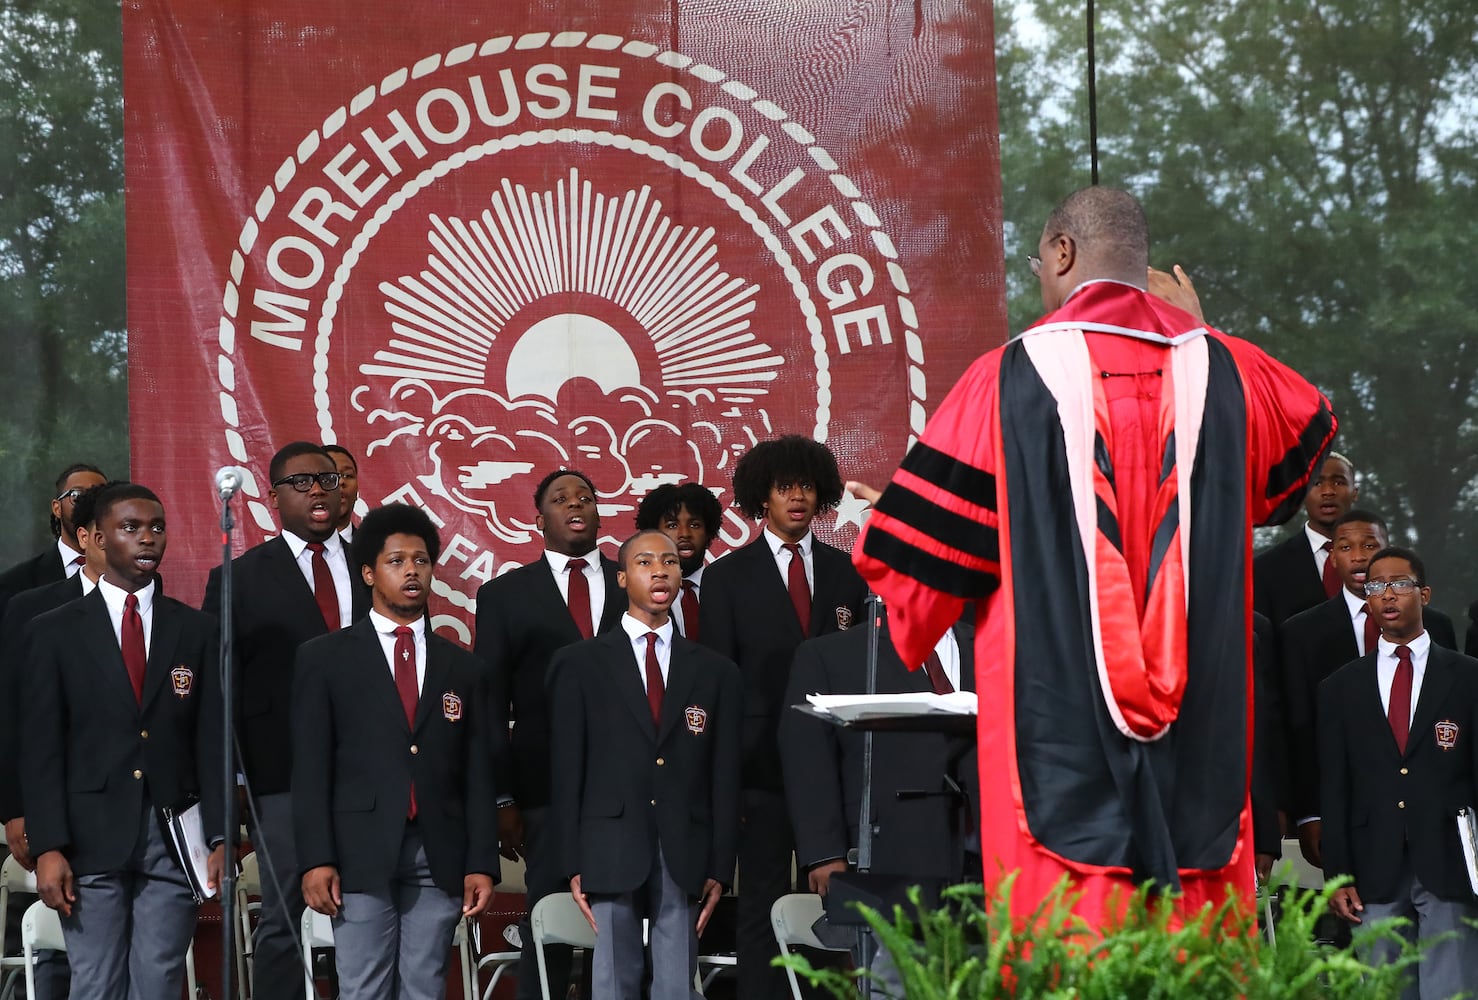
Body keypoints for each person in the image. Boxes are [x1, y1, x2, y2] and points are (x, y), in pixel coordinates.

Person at [853, 187, 1336, 920]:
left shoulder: (1004, 379)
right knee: (1196, 944)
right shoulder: (1230, 372)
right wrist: (1205, 331)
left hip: (1053, 729)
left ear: (1062, 252)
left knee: (1070, 942)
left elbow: (918, 574)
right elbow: (1293, 457)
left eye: (1037, 264)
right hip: (1206, 726)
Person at [22, 482, 226, 1000]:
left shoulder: (197, 630)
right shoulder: (54, 632)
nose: (147, 539)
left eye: (156, 528)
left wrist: (222, 836)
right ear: (94, 539)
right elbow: (42, 748)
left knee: (159, 982)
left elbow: (211, 741)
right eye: (130, 528)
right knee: (97, 982)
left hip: (174, 835)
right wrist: (48, 846)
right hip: (89, 835)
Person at [293, 503, 497, 1000]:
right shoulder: (325, 658)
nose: (412, 571)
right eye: (397, 560)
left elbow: (478, 773)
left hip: (439, 852)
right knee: (363, 987)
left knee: (425, 987)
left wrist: (482, 862)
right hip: (358, 849)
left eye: (422, 561)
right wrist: (315, 857)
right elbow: (311, 766)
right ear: (369, 572)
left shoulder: (463, 668)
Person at [698, 434, 867, 997]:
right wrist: (725, 781)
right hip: (759, 774)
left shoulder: (850, 572)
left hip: (839, 771)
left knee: (837, 911)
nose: (797, 497)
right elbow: (718, 686)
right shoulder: (725, 578)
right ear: (760, 499)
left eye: (806, 486)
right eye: (783, 487)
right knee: (763, 907)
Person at [200, 440, 369, 1000]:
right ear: (273, 498)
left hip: (370, 771)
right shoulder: (239, 577)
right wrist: (235, 786)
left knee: (369, 912)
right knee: (284, 917)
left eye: (325, 479)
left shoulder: (378, 563)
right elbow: (220, 693)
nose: (317, 489)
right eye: (300, 483)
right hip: (281, 778)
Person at [549, 528, 741, 1000]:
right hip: (608, 843)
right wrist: (572, 859)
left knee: (677, 982)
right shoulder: (579, 664)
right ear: (621, 579)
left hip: (685, 843)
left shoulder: (715, 671)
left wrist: (721, 862)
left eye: (671, 562)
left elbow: (724, 775)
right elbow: (566, 769)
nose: (661, 570)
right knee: (614, 979)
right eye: (646, 562)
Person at [474, 468, 624, 1000]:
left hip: (625, 785)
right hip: (542, 788)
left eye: (586, 495)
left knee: (625, 919)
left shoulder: (635, 578)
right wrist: (502, 795)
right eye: (561, 499)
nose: (576, 504)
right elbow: (489, 705)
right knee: (550, 918)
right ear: (540, 520)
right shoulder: (504, 595)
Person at [779, 612, 978, 998]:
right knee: (894, 983)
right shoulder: (833, 654)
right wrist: (823, 852)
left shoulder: (991, 644)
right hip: (888, 862)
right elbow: (807, 758)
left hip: (983, 861)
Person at [1319, 546, 1478, 997]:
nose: (1387, 595)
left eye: (1400, 585)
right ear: (1366, 600)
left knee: (1454, 987)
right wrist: (1338, 872)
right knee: (1385, 987)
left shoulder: (1468, 677)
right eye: (1375, 587)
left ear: (1424, 594)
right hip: (1374, 863)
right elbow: (1335, 786)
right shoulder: (1340, 688)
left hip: (1450, 860)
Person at [1281, 510, 1458, 867]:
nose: (1359, 556)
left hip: (1433, 821)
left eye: (1370, 545)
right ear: (1332, 556)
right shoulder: (1300, 632)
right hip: (1351, 811)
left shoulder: (1437, 625)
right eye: (1346, 547)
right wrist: (1310, 814)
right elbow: (1299, 730)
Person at [0, 480, 115, 1000]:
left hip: (121, 799)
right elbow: (13, 715)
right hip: (52, 798)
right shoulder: (28, 601)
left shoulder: (157, 607)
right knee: (57, 939)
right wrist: (15, 809)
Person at [1254, 453, 1359, 626]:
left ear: (1354, 492)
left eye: (1338, 482)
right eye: (1317, 483)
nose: (1328, 491)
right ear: (1302, 492)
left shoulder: (1381, 562)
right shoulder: (1266, 569)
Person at [0, 462, 106, 623]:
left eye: (101, 497)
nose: (90, 505)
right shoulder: (16, 583)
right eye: (77, 495)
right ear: (57, 508)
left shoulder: (132, 576)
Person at [635, 483, 723, 641]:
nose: (685, 534)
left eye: (694, 525)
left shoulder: (728, 589)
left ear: (709, 532)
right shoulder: (636, 595)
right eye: (672, 525)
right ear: (653, 533)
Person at [324, 443, 361, 542]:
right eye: (330, 476)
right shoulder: (281, 553)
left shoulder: (376, 551)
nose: (340, 481)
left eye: (348, 475)